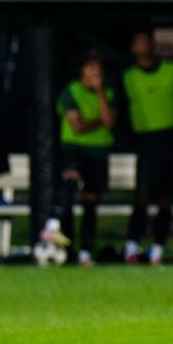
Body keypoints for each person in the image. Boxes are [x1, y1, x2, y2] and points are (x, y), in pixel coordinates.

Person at [41, 51, 117, 267]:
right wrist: (99, 122)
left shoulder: (108, 93)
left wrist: (100, 92)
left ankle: (85, 251)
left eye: (98, 67)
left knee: (91, 200)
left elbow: (109, 121)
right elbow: (78, 126)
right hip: (74, 148)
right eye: (91, 66)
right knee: (70, 180)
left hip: (99, 151)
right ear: (82, 70)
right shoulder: (70, 93)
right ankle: (53, 227)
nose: (95, 71)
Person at [121, 30, 173, 266]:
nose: (146, 45)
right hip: (147, 142)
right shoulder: (129, 76)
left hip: (172, 139)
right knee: (143, 197)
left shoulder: (171, 70)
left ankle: (158, 249)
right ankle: (131, 247)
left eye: (148, 41)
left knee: (166, 200)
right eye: (140, 41)